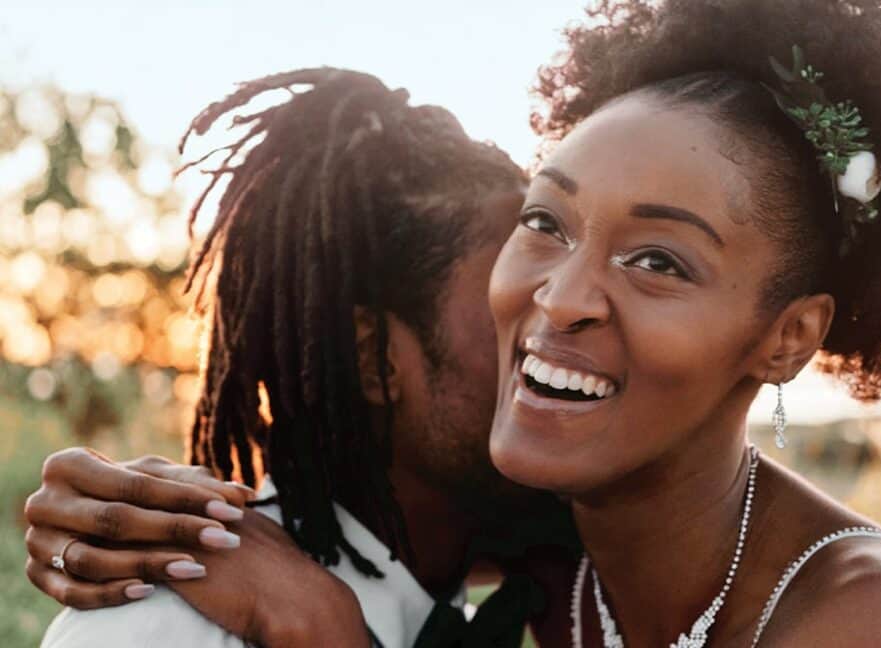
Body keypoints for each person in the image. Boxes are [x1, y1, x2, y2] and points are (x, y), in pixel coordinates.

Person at [27, 0, 881, 646]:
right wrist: (135, 513)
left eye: (657, 260)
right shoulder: (566, 558)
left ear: (785, 336)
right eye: (545, 223)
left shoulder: (867, 619)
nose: (561, 295)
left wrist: (324, 635)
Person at [26, 67, 576, 648]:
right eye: (511, 296)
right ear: (374, 357)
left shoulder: (495, 588)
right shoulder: (166, 626)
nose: (564, 319)